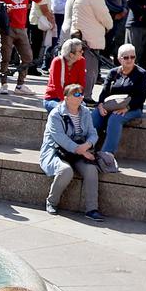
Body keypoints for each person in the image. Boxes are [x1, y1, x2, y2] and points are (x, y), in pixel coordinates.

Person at [40, 82, 103, 221]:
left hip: (80, 151)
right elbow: (60, 138)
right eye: (76, 94)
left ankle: (92, 209)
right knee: (65, 171)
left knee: (91, 170)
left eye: (81, 94)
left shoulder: (85, 112)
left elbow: (93, 133)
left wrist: (87, 144)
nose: (80, 97)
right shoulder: (56, 114)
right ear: (66, 97)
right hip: (57, 151)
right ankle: (51, 202)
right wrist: (80, 150)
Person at [94, 43, 146, 163]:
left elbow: (141, 97)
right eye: (126, 57)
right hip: (110, 106)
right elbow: (104, 93)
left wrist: (127, 108)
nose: (130, 60)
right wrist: (101, 105)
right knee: (95, 115)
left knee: (115, 118)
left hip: (133, 108)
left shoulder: (141, 73)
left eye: (132, 57)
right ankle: (86, 148)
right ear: (119, 59)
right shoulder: (113, 73)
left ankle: (106, 155)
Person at [65, 0, 113, 85]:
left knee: (78, 67)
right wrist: (109, 25)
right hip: (91, 36)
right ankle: (86, 96)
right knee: (91, 69)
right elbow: (103, 13)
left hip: (78, 35)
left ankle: (76, 94)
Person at [42, 37, 86, 110]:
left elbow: (81, 83)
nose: (82, 52)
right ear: (71, 54)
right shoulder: (57, 62)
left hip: (72, 98)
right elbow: (57, 85)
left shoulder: (81, 61)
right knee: (63, 109)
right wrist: (65, 102)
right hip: (54, 98)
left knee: (84, 111)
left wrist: (78, 97)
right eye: (80, 51)